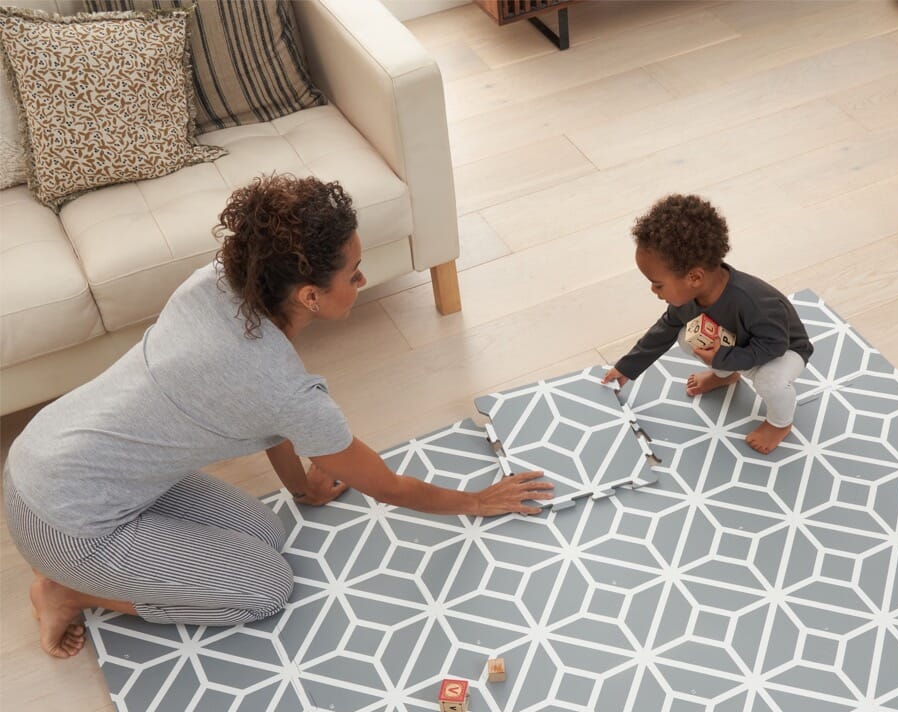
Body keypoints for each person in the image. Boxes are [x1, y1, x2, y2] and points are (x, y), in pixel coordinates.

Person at [3, 174, 552, 659]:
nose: (362, 282)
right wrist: (477, 501)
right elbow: (389, 487)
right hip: (64, 524)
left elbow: (261, 410)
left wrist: (302, 488)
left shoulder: (223, 277)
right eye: (355, 274)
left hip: (49, 453)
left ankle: (96, 568)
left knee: (265, 531)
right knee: (264, 588)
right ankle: (65, 591)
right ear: (311, 295)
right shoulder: (286, 389)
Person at [602, 193, 814, 455]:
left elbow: (775, 345)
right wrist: (626, 368)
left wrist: (725, 356)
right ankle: (726, 376)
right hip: (737, 345)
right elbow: (663, 331)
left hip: (783, 350)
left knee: (769, 380)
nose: (653, 291)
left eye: (658, 284)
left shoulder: (754, 302)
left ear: (694, 277)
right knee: (686, 335)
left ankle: (780, 423)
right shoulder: (688, 299)